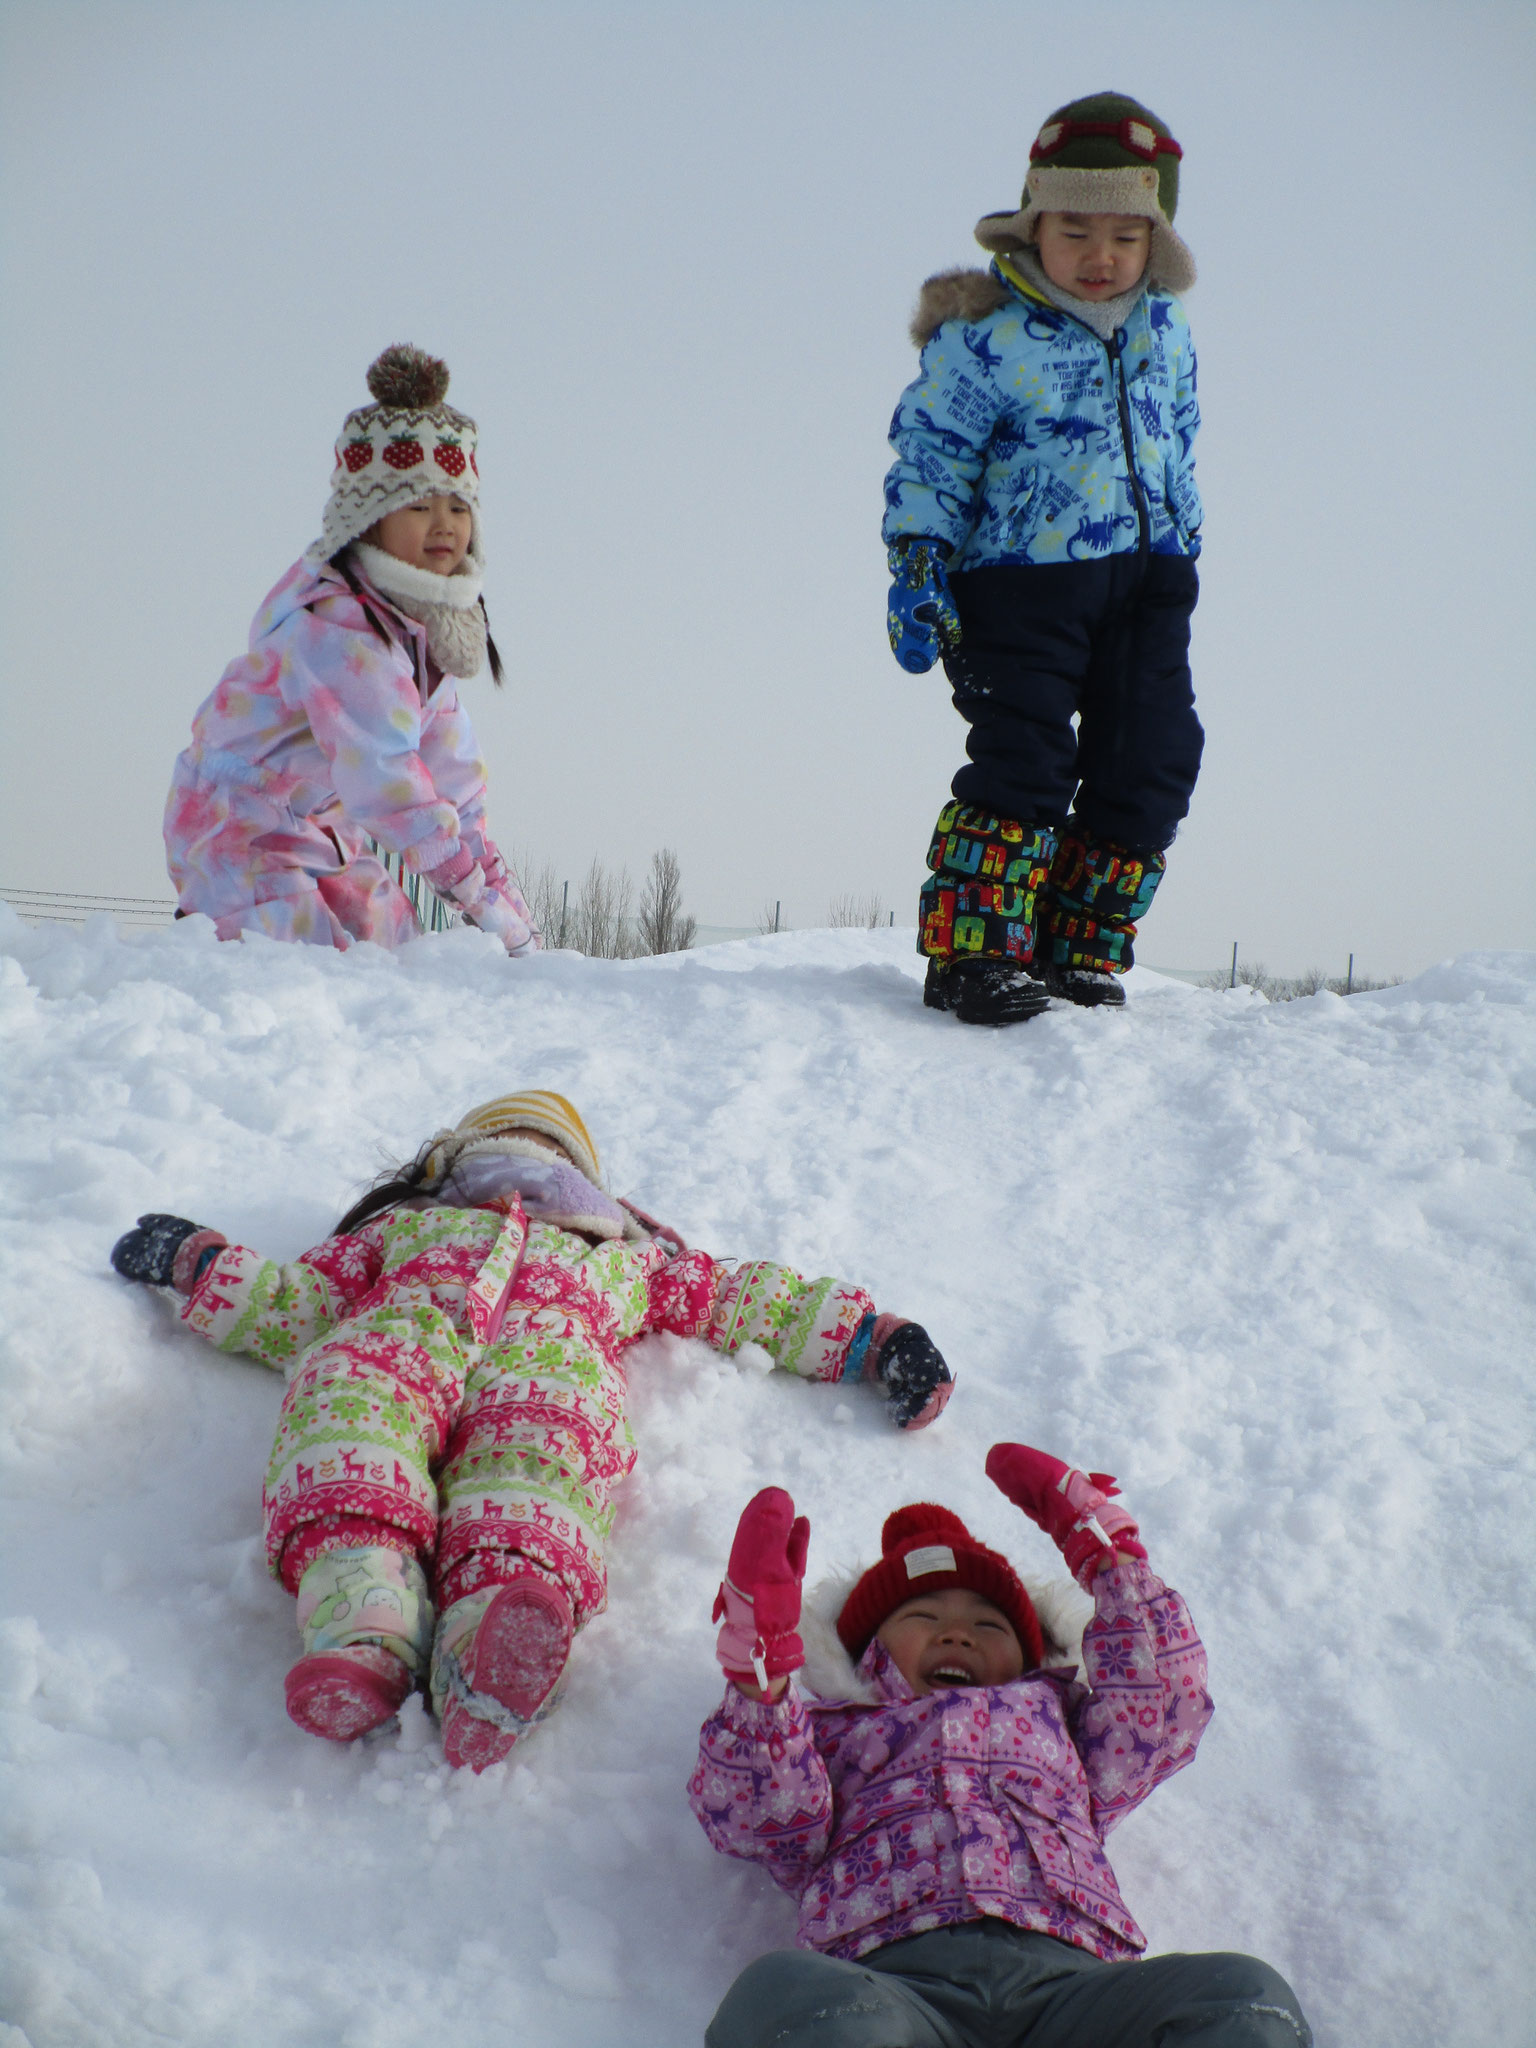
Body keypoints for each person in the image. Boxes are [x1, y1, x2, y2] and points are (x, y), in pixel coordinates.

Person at [108, 1091, 953, 1771]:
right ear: (449, 1166)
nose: (522, 1160)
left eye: (546, 1150)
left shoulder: (623, 1254)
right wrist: (199, 1260)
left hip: (548, 1375)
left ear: (587, 1184)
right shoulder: (401, 1230)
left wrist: (873, 1338)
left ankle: (492, 1643)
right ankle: (363, 1617)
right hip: (396, 1343)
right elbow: (297, 1305)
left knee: (542, 1464)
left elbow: (740, 1297)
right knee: (345, 1415)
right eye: (498, 1142)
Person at [689, 1447, 1311, 2046]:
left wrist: (1109, 1556)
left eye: (989, 1625)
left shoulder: (1065, 1724)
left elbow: (1164, 1705)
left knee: (1243, 1997)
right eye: (923, 1618)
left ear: (1029, 1652)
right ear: (868, 1650)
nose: (957, 1634)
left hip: (1073, 1988)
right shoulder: (831, 1729)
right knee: (785, 1993)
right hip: (895, 1985)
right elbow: (761, 1820)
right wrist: (760, 1686)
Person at [884, 94, 1205, 1025]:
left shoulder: (1167, 333)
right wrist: (918, 561)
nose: (1100, 256)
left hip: (1147, 582)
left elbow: (1179, 438)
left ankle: (1076, 945)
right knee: (1026, 759)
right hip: (1016, 587)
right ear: (1034, 226)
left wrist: (1184, 546)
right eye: (1075, 230)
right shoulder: (985, 336)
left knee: (1152, 759)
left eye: (1124, 234)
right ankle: (975, 951)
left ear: (1154, 240)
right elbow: (932, 453)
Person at [163, 344, 538, 953]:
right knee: (308, 963)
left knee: (393, 946)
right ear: (368, 521)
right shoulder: (340, 629)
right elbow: (388, 778)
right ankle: (219, 951)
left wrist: (507, 905)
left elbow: (453, 780)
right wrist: (470, 893)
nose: (444, 523)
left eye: (458, 505)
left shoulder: (420, 631)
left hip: (319, 823)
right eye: (417, 505)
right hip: (235, 823)